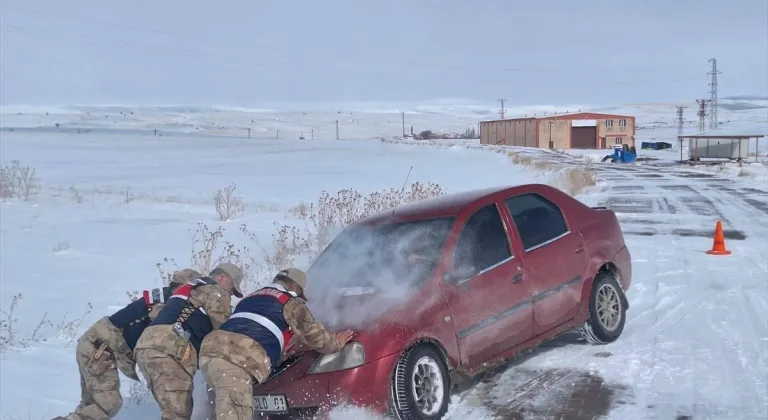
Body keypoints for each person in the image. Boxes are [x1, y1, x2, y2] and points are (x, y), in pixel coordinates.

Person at [198, 268, 355, 420]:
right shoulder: (290, 301)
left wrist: (277, 354)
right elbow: (316, 337)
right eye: (300, 293)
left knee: (222, 412)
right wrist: (335, 343)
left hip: (210, 354)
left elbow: (251, 329)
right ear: (294, 287)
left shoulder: (250, 298)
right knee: (237, 414)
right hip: (234, 362)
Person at [53, 269, 202, 420]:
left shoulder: (161, 297)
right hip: (100, 348)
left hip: (94, 344)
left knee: (90, 406)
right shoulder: (168, 302)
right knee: (107, 403)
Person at [133, 263, 243, 420]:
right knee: (177, 414)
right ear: (222, 277)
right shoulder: (216, 291)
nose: (231, 294)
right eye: (232, 288)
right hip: (169, 351)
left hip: (146, 347)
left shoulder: (191, 287)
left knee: (174, 411)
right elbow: (223, 334)